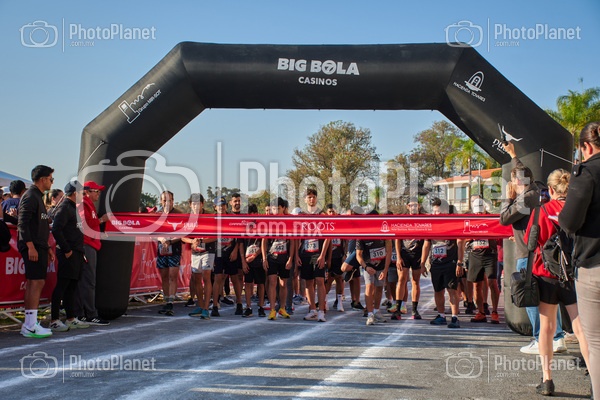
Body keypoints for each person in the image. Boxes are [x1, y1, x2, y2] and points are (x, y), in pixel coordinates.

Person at [524, 169, 590, 396]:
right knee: (580, 328)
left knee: (547, 328)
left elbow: (530, 242)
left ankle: (547, 380)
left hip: (546, 274)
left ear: (550, 190)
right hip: (573, 275)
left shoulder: (541, 210)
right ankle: (595, 379)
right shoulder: (578, 211)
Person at [500, 142, 565, 354]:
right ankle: (557, 337)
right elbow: (522, 170)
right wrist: (513, 155)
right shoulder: (537, 189)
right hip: (543, 254)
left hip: (529, 255)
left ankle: (541, 339)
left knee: (530, 298)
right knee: (547, 299)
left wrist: (507, 196)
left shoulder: (525, 198)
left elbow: (504, 218)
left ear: (517, 181)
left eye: (512, 180)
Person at [559, 121, 600, 397]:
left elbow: (569, 221)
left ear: (586, 147)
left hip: (594, 263)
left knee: (596, 343)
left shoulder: (586, 172)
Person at [18, 165, 56, 338]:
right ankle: (30, 325)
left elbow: (40, 227)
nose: (52, 182)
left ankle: (30, 323)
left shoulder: (38, 197)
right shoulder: (30, 196)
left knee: (37, 282)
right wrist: (30, 246)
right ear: (43, 179)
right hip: (32, 246)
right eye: (51, 179)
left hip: (40, 245)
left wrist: (47, 247)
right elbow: (22, 223)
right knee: (35, 282)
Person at [49, 181, 89, 332]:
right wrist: (66, 249)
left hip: (77, 252)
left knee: (71, 287)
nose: (83, 196)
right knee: (62, 286)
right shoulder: (65, 207)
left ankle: (71, 318)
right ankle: (54, 320)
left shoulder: (74, 208)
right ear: (74, 193)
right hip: (68, 252)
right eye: (81, 193)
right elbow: (56, 229)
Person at [421, 198, 464, 329]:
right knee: (438, 290)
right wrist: (422, 263)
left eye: (438, 212)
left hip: (450, 262)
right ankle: (441, 315)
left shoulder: (454, 224)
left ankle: (455, 317)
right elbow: (426, 244)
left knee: (452, 290)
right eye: (434, 212)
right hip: (436, 263)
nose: (436, 214)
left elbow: (460, 243)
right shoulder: (430, 225)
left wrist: (460, 262)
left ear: (445, 211)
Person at [75, 181, 110, 326]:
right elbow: (85, 225)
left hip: (90, 244)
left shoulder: (88, 205)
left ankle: (82, 313)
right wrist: (102, 220)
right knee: (88, 281)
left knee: (85, 281)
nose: (99, 194)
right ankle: (90, 314)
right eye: (97, 191)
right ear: (88, 192)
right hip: (87, 245)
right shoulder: (84, 204)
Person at [466, 198, 500, 324]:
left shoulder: (492, 219)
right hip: (475, 254)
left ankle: (494, 312)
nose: (479, 214)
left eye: (481, 212)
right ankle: (480, 312)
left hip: (489, 254)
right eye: (477, 212)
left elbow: (499, 231)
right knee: (476, 285)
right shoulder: (469, 219)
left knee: (492, 282)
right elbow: (463, 235)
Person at [183, 193, 216, 320]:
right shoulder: (188, 218)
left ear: (202, 204)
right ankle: (201, 306)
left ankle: (206, 308)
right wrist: (192, 241)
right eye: (194, 204)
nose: (196, 206)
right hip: (195, 252)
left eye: (198, 203)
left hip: (208, 251)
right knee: (196, 279)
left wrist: (202, 240)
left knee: (206, 277)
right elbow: (183, 236)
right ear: (190, 205)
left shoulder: (209, 216)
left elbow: (215, 235)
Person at [391, 198, 424, 320]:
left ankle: (415, 309)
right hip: (404, 253)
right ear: (407, 207)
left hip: (417, 254)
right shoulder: (403, 219)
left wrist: (424, 260)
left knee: (415, 281)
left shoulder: (423, 219)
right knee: (401, 279)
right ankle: (398, 309)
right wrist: (398, 257)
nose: (413, 208)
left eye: (415, 205)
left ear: (419, 206)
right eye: (411, 205)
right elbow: (397, 239)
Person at [261, 197, 294, 320]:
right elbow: (264, 241)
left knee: (283, 283)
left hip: (284, 257)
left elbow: (292, 242)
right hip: (272, 256)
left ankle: (282, 308)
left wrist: (290, 258)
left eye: (278, 208)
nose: (275, 211)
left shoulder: (288, 221)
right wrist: (264, 258)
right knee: (272, 282)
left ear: (283, 208)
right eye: (273, 209)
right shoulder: (268, 222)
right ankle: (272, 309)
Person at [356, 228, 392, 326]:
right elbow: (358, 255)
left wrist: (385, 270)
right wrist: (365, 267)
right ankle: (370, 314)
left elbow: (389, 251)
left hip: (381, 265)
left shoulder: (384, 233)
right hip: (368, 266)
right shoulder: (361, 235)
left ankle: (376, 311)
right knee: (369, 286)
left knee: (379, 287)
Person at [155, 190, 182, 317]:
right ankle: (166, 301)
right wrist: (162, 239)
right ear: (161, 201)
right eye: (164, 200)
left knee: (172, 275)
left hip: (174, 248)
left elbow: (183, 233)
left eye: (169, 200)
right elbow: (153, 232)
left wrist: (170, 241)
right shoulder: (158, 215)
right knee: (164, 276)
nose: (167, 202)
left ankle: (171, 302)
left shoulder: (179, 214)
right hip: (162, 248)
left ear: (173, 201)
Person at [241, 203, 266, 317]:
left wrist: (255, 255)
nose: (251, 217)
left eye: (253, 214)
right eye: (248, 214)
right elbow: (241, 245)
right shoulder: (244, 227)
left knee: (260, 284)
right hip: (247, 260)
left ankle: (261, 307)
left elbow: (264, 243)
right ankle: (248, 307)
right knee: (247, 283)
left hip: (258, 259)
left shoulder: (261, 226)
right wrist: (243, 261)